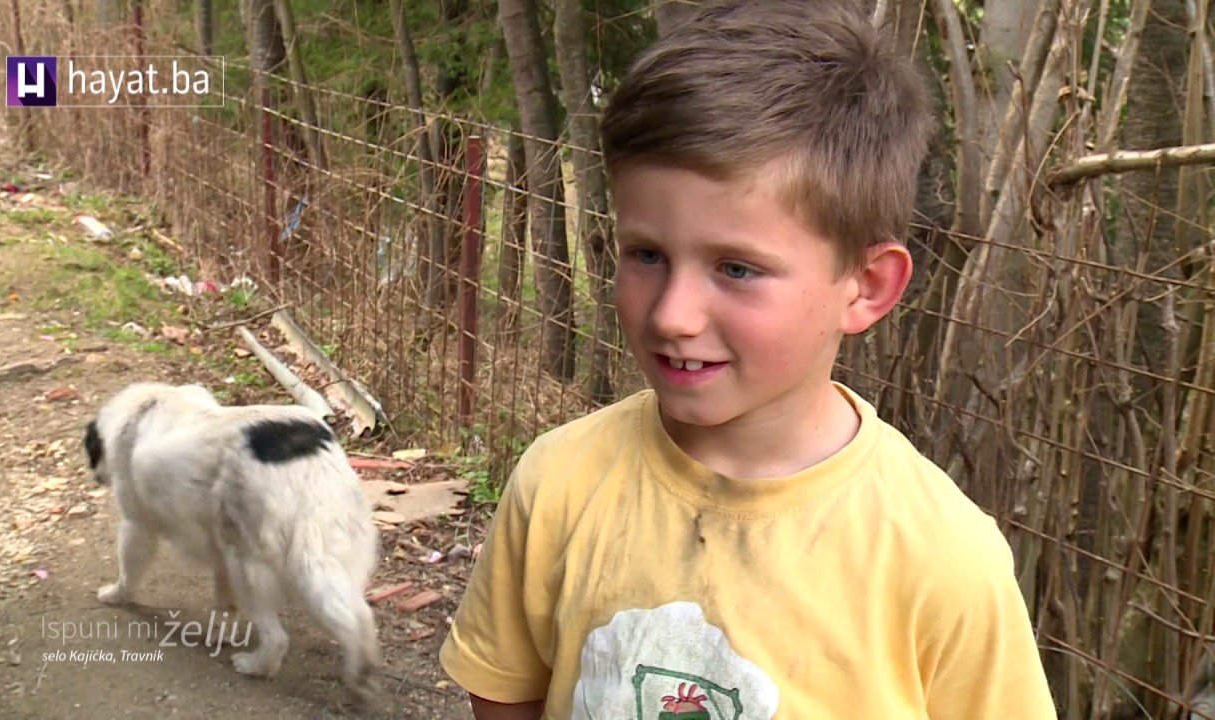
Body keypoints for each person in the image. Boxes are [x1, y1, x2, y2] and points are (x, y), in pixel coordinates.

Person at [439, 1, 1058, 718]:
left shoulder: (941, 559)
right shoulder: (560, 483)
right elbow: (505, 690)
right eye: (646, 254)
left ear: (866, 286)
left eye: (735, 268)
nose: (672, 314)